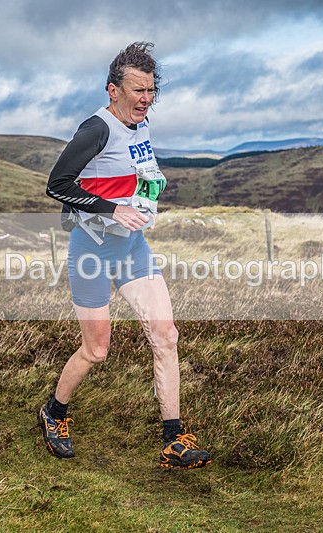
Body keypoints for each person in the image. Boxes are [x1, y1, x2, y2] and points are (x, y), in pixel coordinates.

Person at [38, 42, 211, 469]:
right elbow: (57, 183)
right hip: (92, 251)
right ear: (112, 90)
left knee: (165, 335)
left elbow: (132, 175)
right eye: (137, 91)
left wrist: (143, 199)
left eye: (151, 90)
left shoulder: (142, 124)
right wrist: (111, 209)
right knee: (97, 351)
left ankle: (174, 439)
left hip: (133, 248)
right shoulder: (95, 130)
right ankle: (53, 412)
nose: (146, 99)